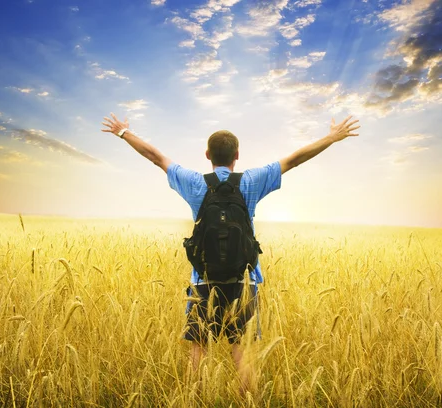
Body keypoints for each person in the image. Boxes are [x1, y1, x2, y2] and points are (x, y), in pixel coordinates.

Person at [101, 112, 360, 393]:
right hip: (244, 279)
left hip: (203, 279)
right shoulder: (251, 181)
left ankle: (194, 400)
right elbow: (295, 159)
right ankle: (247, 400)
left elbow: (156, 157)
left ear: (207, 154)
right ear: (237, 154)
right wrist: (332, 138)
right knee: (241, 349)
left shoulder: (194, 182)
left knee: (198, 349)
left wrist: (123, 132)